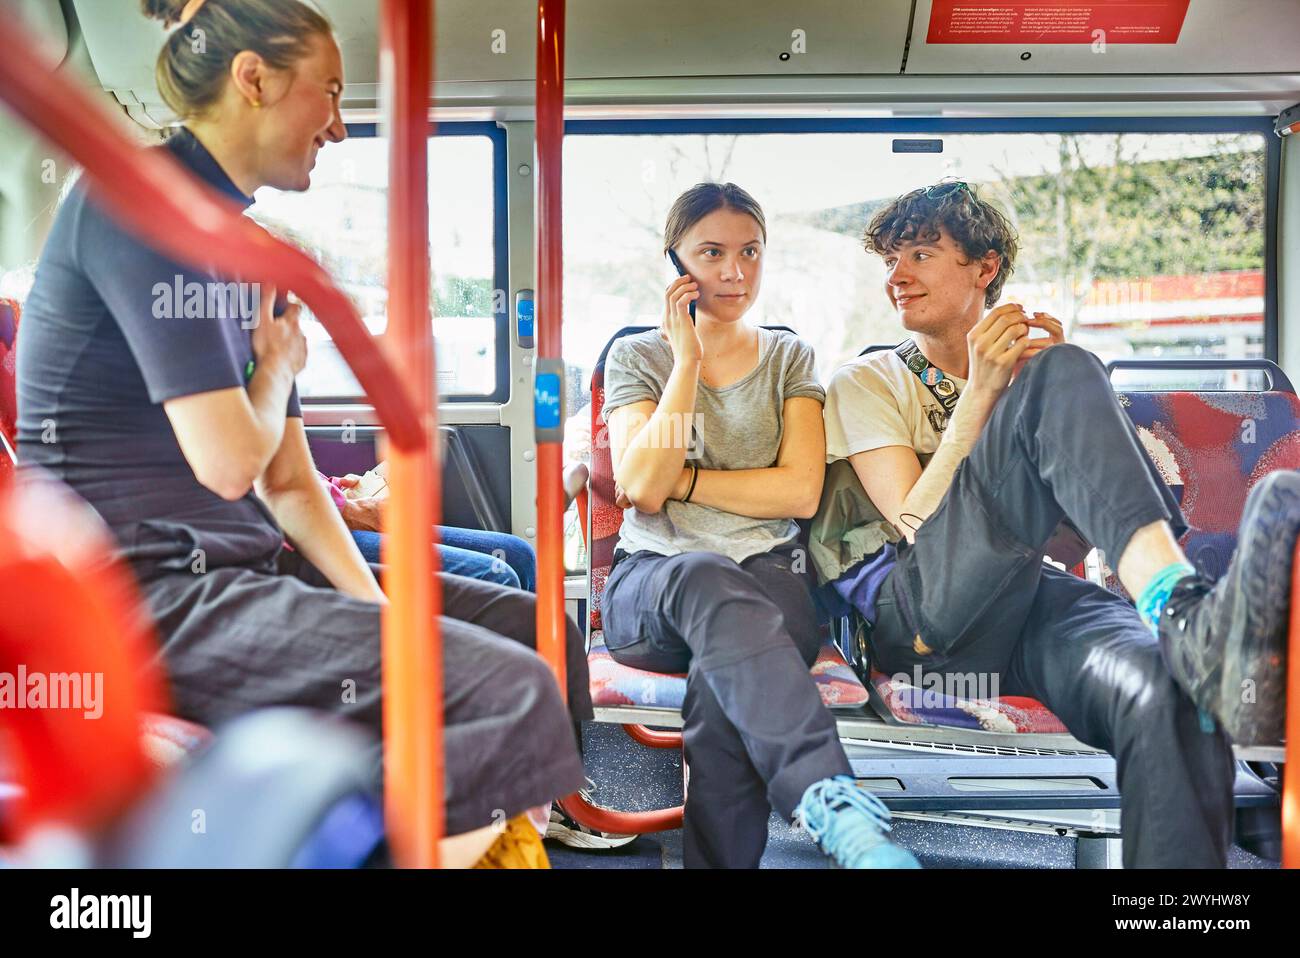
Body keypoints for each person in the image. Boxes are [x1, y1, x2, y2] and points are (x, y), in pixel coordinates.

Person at [16, 0, 588, 867]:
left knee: (527, 628)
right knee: (512, 692)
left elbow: (288, 485)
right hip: (149, 595)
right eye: (329, 91)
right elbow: (226, 463)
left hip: (247, 564)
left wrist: (382, 617)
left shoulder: (242, 248)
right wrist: (278, 366)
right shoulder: (139, 208)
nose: (343, 126)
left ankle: (503, 826)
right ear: (255, 80)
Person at [818, 179, 1299, 868]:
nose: (897, 276)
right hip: (923, 619)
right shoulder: (868, 382)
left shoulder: (1038, 377)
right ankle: (1183, 606)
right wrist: (986, 396)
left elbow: (1075, 543)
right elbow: (914, 524)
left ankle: (1181, 628)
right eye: (890, 260)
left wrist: (1069, 416)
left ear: (984, 268)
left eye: (920, 254)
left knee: (1167, 686)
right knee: (1065, 373)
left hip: (1028, 595)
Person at [599, 181, 920, 869]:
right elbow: (644, 489)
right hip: (655, 584)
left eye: (750, 252)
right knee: (705, 574)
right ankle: (827, 791)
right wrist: (687, 361)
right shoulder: (639, 357)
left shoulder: (787, 357)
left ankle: (823, 809)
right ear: (675, 262)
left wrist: (691, 483)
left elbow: (799, 493)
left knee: (728, 670)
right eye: (711, 253)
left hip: (770, 581)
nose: (735, 271)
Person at [321, 470, 538, 590]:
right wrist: (348, 510)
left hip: (323, 502)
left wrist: (330, 485)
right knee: (494, 575)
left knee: (517, 553)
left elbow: (293, 469)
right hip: (304, 532)